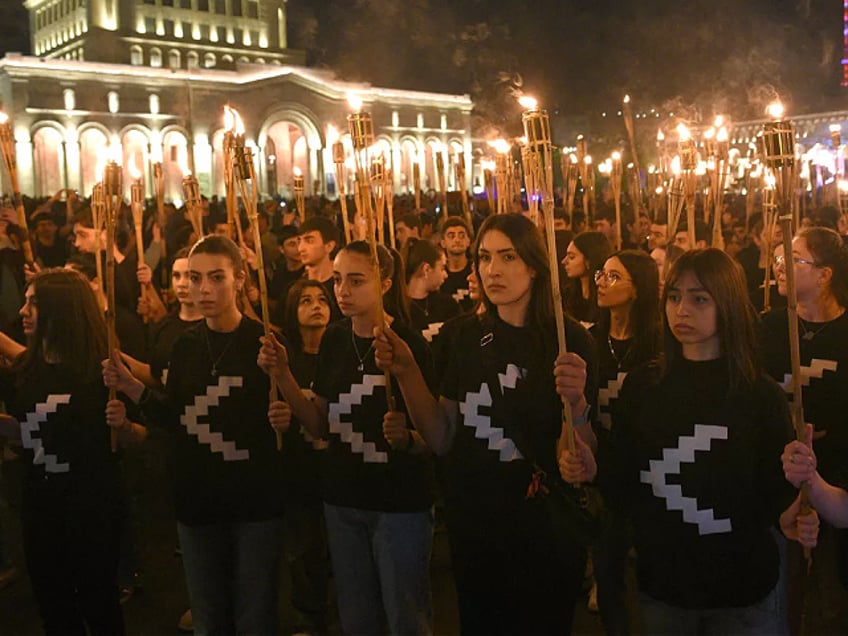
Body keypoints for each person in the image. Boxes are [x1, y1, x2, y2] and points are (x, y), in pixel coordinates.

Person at [373, 213, 598, 634]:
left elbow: (583, 454)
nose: (492, 270)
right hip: (475, 525)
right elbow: (442, 436)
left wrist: (578, 400)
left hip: (542, 530)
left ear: (533, 265)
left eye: (508, 257)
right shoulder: (460, 339)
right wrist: (406, 370)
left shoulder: (569, 341)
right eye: (484, 257)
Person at [562, 248, 800, 635]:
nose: (681, 310)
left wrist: (794, 511)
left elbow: (775, 492)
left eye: (699, 298)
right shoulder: (643, 386)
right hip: (665, 585)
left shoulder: (759, 395)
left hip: (742, 589)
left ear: (728, 304)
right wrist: (591, 462)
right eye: (673, 297)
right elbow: (622, 476)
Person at [102, 235, 288, 635]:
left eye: (216, 277)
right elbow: (177, 418)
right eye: (195, 278)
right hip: (198, 500)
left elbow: (288, 421)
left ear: (239, 279)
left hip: (255, 501)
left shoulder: (265, 345)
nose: (203, 289)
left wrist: (285, 408)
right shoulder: (184, 347)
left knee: (256, 614)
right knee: (208, 615)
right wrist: (133, 388)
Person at [258, 240, 435, 635]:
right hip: (342, 500)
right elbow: (320, 424)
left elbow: (436, 436)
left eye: (356, 281)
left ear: (385, 283)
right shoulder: (335, 340)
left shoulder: (407, 344)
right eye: (337, 280)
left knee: (406, 615)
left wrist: (407, 437)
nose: (342, 291)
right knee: (356, 617)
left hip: (398, 504)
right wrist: (284, 375)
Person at [0, 269, 146, 635]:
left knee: (99, 602)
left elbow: (143, 437)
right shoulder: (23, 371)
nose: (23, 311)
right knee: (53, 604)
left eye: (34, 303)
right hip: (39, 503)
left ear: (61, 310)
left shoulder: (104, 376)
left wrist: (124, 427)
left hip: (92, 505)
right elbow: (33, 434)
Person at [761, 225, 848, 633]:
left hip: (837, 479)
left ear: (825, 274)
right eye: (778, 259)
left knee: (826, 602)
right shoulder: (766, 329)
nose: (779, 268)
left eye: (792, 261)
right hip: (774, 481)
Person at [588, 249, 661, 632]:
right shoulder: (588, 342)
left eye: (614, 277)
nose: (601, 281)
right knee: (607, 563)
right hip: (603, 470)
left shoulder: (658, 347)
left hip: (647, 471)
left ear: (638, 289)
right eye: (601, 273)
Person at [278, 279, 332, 634]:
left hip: (337, 469)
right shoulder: (286, 362)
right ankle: (308, 617)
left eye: (322, 299)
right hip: (299, 471)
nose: (316, 305)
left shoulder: (341, 356)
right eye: (306, 300)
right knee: (304, 548)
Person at [404, 238, 460, 345]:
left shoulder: (449, 306)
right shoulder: (400, 310)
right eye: (442, 268)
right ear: (426, 269)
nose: (445, 275)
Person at [563, 231, 611, 325]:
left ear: (589, 261)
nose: (564, 261)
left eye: (571, 257)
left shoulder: (606, 296)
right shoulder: (566, 295)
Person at [439, 217, 475, 311]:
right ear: (443, 243)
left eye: (462, 235)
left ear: (468, 241)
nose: (457, 240)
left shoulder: (475, 270)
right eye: (451, 236)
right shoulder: (439, 274)